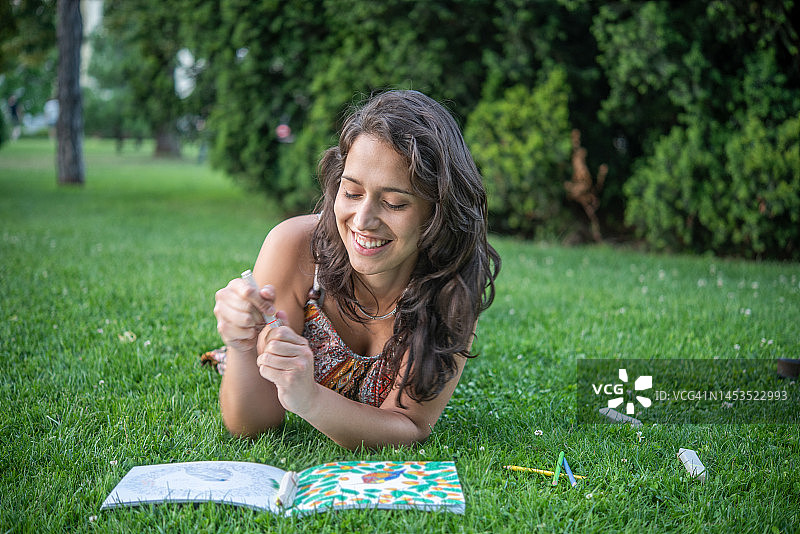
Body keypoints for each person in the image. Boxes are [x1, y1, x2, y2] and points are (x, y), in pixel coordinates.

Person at [211, 90, 500, 450]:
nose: (363, 221)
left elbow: (409, 425)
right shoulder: (296, 248)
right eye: (351, 193)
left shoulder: (451, 285)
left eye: (394, 203)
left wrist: (311, 400)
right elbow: (253, 427)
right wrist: (241, 348)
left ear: (436, 214)